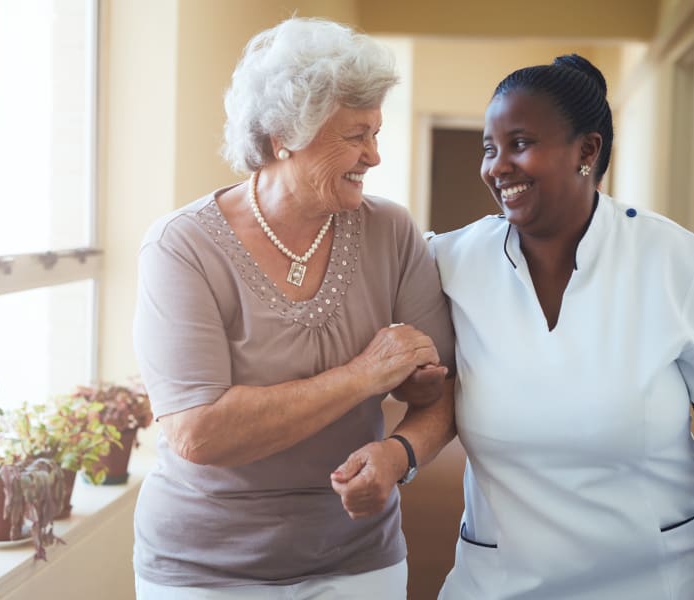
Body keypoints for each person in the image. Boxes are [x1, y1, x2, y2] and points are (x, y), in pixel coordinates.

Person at [131, 17, 455, 599]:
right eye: (356, 135)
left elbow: (443, 394)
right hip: (206, 566)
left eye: (377, 133)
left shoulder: (391, 231)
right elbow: (199, 433)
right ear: (285, 133)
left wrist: (397, 453)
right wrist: (365, 374)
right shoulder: (182, 246)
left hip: (358, 556)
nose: (374, 155)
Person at [429, 54, 694, 600]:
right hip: (500, 579)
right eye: (489, 149)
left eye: (519, 143)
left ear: (588, 150)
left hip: (657, 577)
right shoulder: (450, 263)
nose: (496, 167)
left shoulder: (675, 260)